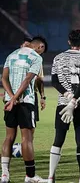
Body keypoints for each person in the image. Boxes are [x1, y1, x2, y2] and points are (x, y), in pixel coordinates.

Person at [47, 29, 80, 183]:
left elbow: (54, 82)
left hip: (62, 104)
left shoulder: (58, 58)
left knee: (58, 139)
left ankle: (50, 177)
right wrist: (74, 100)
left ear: (69, 42)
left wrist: (67, 97)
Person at [1, 36, 48, 183]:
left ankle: (4, 175)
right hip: (25, 101)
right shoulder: (35, 57)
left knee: (9, 137)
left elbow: (3, 79)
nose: (42, 53)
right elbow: (27, 80)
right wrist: (16, 98)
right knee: (26, 138)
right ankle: (30, 176)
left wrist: (10, 98)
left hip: (9, 102)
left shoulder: (11, 55)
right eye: (43, 50)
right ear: (39, 46)